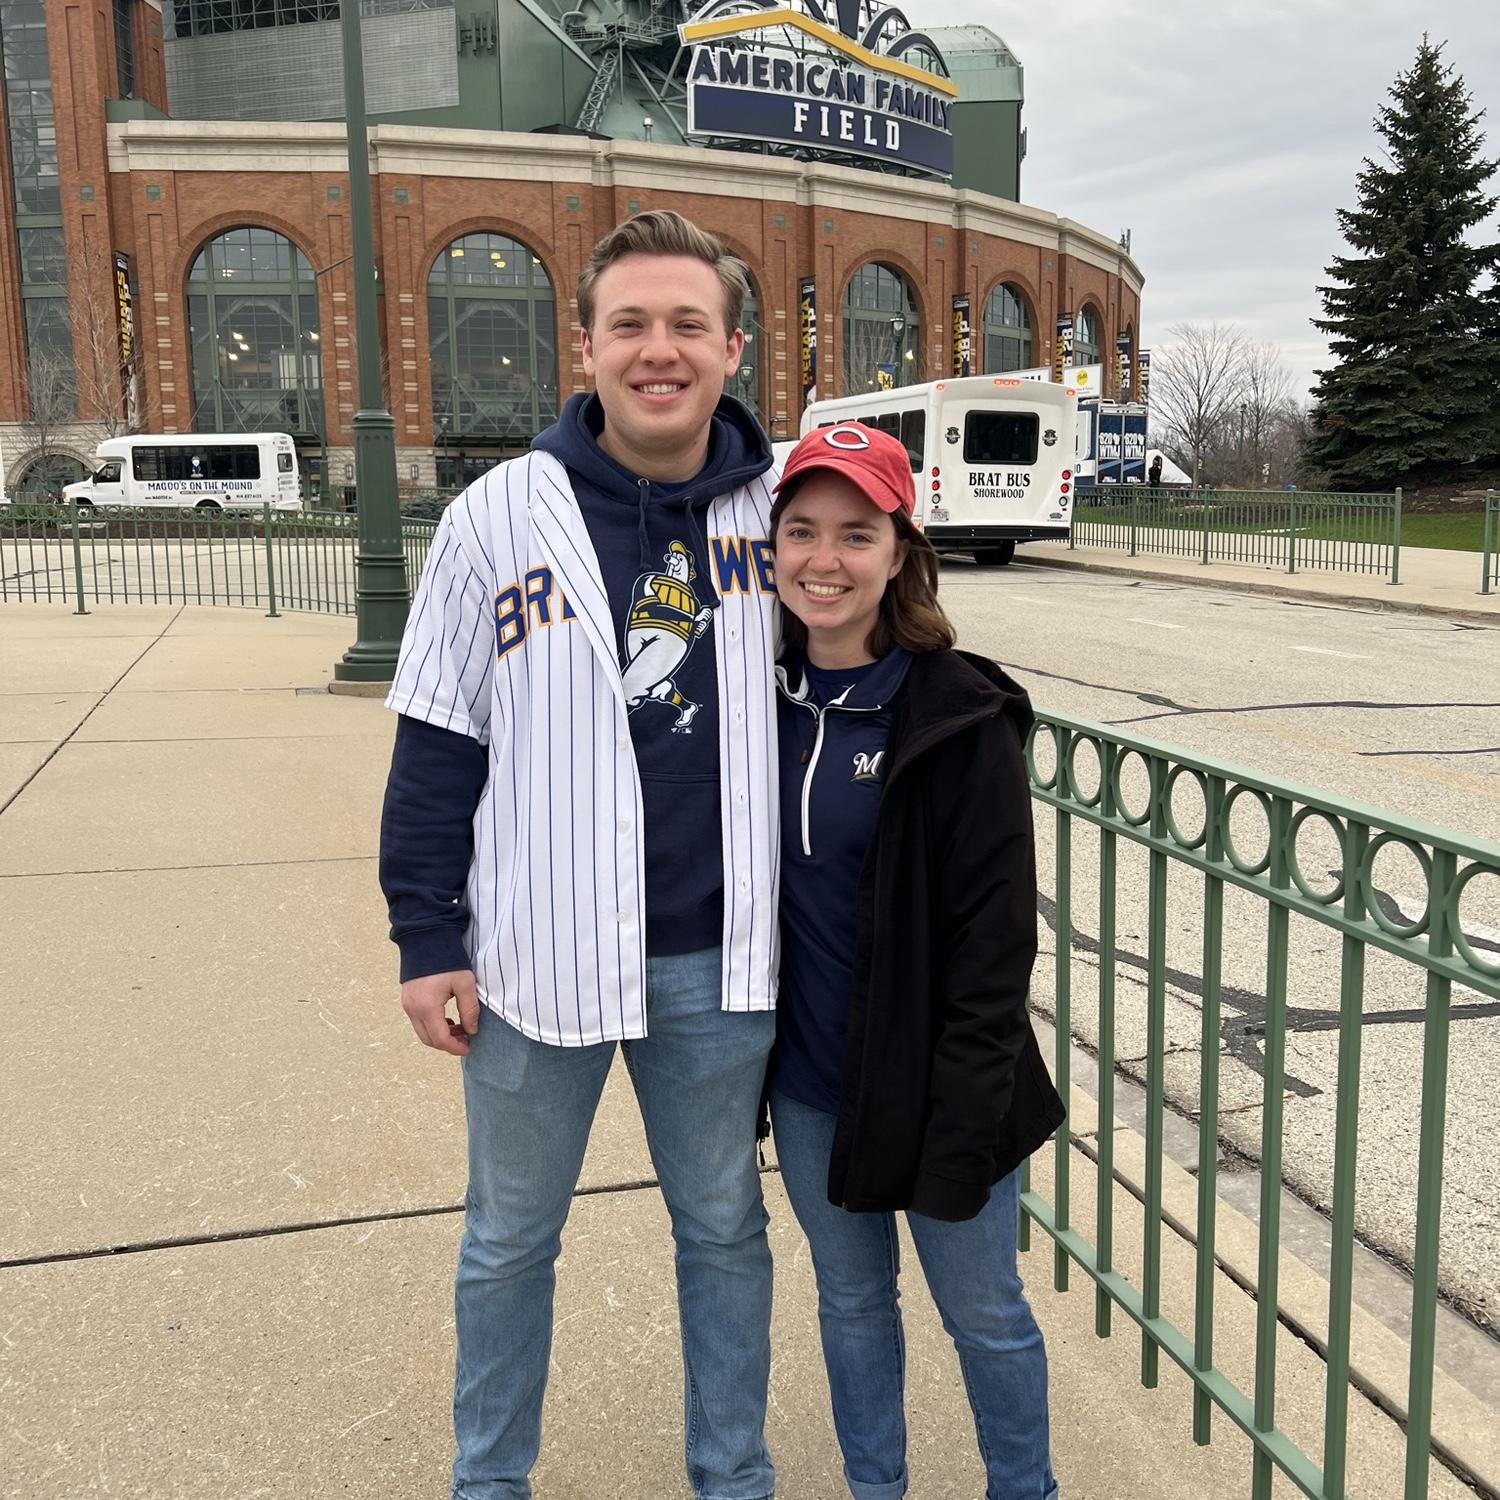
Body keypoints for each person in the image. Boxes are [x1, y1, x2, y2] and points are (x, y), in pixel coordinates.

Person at [379, 210, 781, 1500]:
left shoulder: (793, 517)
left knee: (723, 1234)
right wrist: (425, 934)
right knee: (508, 1241)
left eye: (686, 325)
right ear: (588, 344)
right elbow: (440, 741)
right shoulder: (496, 517)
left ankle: (733, 1475)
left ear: (731, 346)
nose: (658, 350)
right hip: (533, 957)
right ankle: (488, 1481)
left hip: (717, 965)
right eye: (630, 325)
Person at [765, 422, 1066, 1500]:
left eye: (857, 533)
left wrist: (967, 1114)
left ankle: (1024, 1490)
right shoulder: (754, 703)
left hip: (948, 1083)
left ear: (902, 553)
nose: (825, 559)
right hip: (811, 1088)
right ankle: (874, 1489)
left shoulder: (959, 716)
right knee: (849, 1304)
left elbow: (995, 948)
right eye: (801, 530)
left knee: (984, 1314)